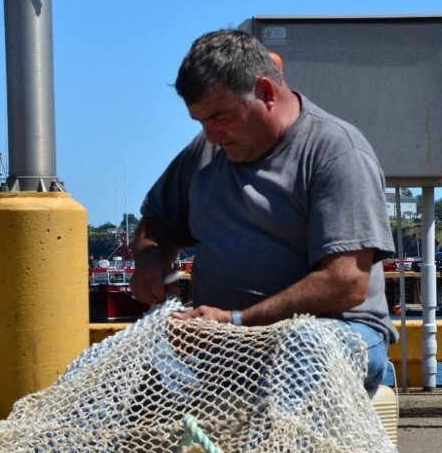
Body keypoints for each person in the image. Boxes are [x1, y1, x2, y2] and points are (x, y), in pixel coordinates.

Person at [130, 29, 397, 393]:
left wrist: (237, 322)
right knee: (131, 377)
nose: (211, 134)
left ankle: (268, 449)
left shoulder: (336, 151)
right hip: (227, 340)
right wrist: (150, 258)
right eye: (201, 122)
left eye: (221, 116)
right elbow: (157, 222)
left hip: (339, 333)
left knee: (302, 346)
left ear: (266, 93)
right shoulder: (206, 153)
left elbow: (345, 282)